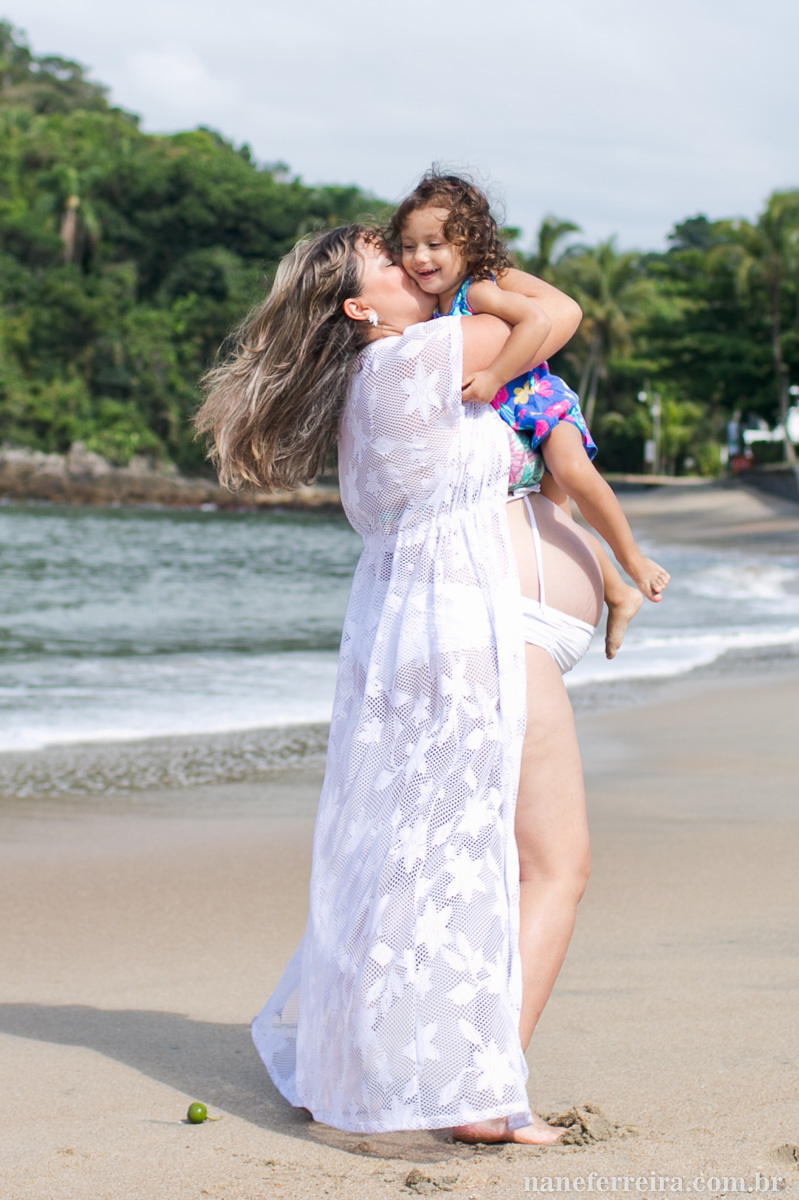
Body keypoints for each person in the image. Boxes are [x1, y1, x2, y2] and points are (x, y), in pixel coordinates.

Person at [194, 225, 600, 1144]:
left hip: (441, 634)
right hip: (485, 636)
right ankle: (483, 1096)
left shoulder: (372, 381)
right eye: (391, 255)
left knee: (407, 859)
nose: (415, 261)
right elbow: (556, 312)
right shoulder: (422, 355)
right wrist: (471, 258)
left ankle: (353, 1064)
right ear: (357, 305)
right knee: (550, 865)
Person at [391, 172, 670, 659]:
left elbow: (537, 320)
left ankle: (633, 560)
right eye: (409, 246)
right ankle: (617, 593)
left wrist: (495, 375)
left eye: (434, 244)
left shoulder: (476, 292)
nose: (419, 257)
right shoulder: (431, 312)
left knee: (573, 472)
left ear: (467, 245)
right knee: (554, 518)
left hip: (539, 403)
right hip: (511, 424)